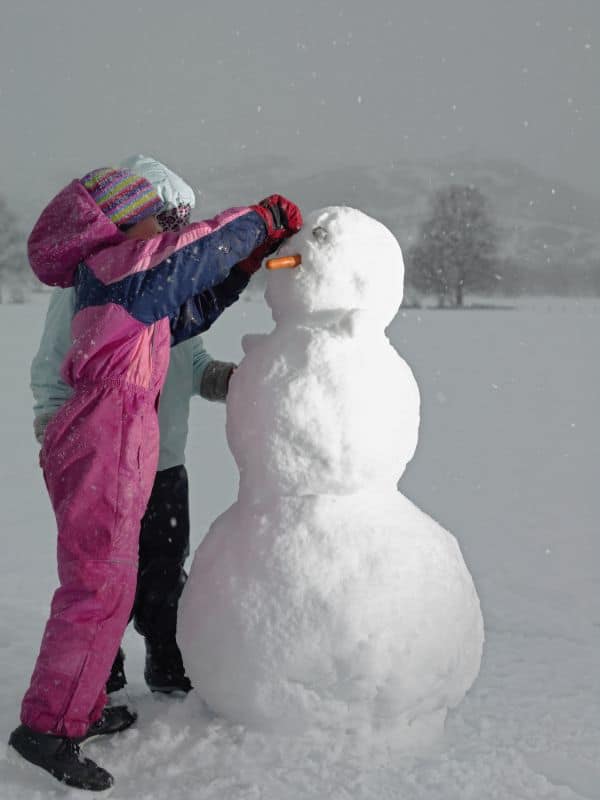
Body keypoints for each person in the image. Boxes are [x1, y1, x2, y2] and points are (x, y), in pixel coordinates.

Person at [9, 165, 302, 791]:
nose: (167, 228)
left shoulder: (126, 281)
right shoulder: (120, 268)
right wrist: (258, 224)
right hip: (102, 439)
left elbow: (188, 309)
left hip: (116, 437)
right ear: (120, 224)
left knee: (110, 587)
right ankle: (48, 728)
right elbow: (195, 255)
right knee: (98, 590)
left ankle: (77, 710)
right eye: (157, 217)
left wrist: (244, 270)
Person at [30, 155, 236, 697]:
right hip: (102, 463)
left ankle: (171, 663)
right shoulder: (89, 284)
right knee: (102, 579)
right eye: (167, 220)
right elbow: (53, 372)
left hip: (164, 462)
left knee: (165, 574)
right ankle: (97, 678)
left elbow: (192, 365)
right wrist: (59, 437)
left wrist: (237, 381)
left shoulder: (171, 286)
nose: (172, 234)